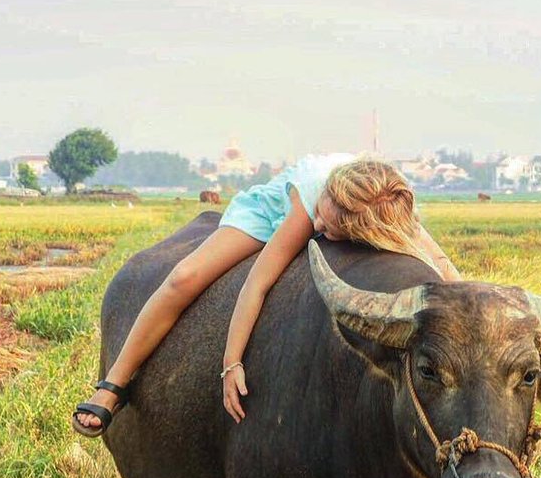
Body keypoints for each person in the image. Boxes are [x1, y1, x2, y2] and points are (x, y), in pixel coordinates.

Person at [72, 153, 462, 434]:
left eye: (332, 230)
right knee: (184, 277)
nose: (322, 225)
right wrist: (231, 363)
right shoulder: (312, 207)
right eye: (324, 217)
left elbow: (442, 264)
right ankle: (113, 386)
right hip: (265, 214)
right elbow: (256, 284)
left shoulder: (386, 207)